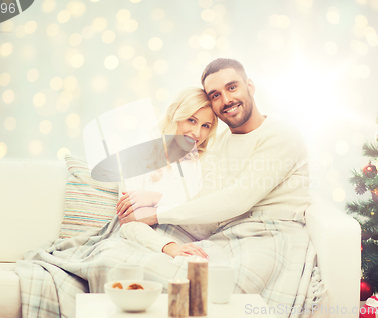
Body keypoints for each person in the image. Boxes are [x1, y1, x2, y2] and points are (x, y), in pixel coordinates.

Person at [118, 58, 311, 231]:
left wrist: (155, 212)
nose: (226, 100)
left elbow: (237, 199)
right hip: (227, 235)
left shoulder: (281, 136)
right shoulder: (219, 142)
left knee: (196, 268)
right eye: (215, 95)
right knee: (190, 266)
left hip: (273, 231)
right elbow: (205, 197)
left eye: (232, 87)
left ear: (250, 86)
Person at [116, 87, 220, 259]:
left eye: (205, 126)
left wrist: (157, 199)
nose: (197, 133)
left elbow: (208, 225)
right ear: (175, 117)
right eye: (191, 120)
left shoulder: (208, 163)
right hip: (138, 241)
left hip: (189, 245)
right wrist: (168, 247)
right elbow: (127, 222)